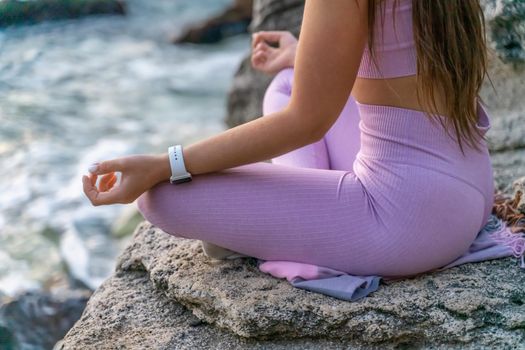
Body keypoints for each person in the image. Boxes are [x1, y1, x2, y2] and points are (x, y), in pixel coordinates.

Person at [83, 0, 495, 278]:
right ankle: (312, 210)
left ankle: (309, 228)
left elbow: (305, 123)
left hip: (411, 223)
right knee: (285, 82)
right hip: (467, 184)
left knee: (161, 196)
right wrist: (308, 56)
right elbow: (403, 58)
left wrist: (164, 163)